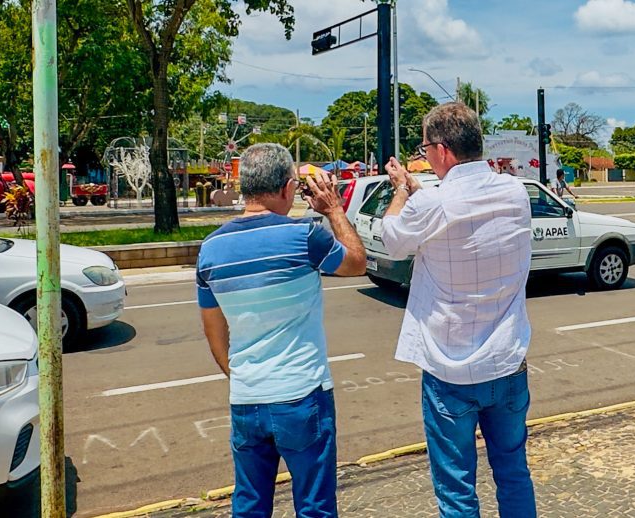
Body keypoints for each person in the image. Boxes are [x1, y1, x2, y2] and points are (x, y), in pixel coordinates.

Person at [381, 102, 537, 518]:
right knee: (513, 472)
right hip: (507, 362)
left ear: (442, 150)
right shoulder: (515, 192)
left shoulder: (432, 204)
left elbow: (393, 239)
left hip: (451, 372)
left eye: (425, 148)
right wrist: (421, 193)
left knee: (456, 490)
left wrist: (401, 191)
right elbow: (459, 212)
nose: (424, 156)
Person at [196, 143, 366, 517]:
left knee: (251, 505)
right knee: (314, 507)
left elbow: (213, 332)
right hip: (302, 395)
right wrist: (334, 209)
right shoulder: (306, 236)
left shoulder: (211, 249)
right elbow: (356, 263)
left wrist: (239, 374)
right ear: (289, 188)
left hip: (246, 398)